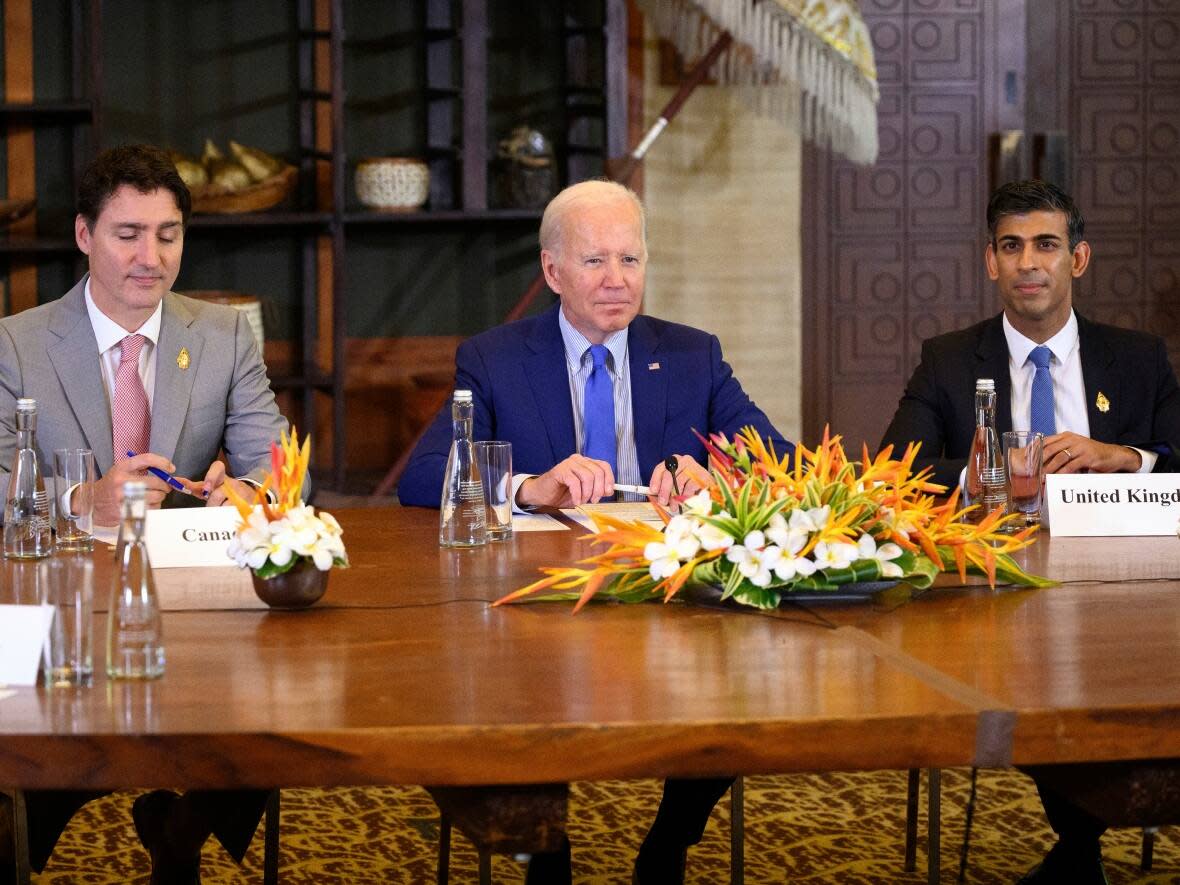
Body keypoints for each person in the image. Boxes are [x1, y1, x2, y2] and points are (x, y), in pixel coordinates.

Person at [399, 179, 791, 884]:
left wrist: (713, 470)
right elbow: (424, 473)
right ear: (553, 272)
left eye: (630, 261)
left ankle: (668, 843)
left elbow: (783, 463)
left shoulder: (693, 354)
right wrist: (527, 486)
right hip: (546, 603)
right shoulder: (494, 357)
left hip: (670, 595)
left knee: (744, 682)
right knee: (524, 703)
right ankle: (549, 862)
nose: (617, 281)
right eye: (595, 262)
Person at [0, 144, 288, 883]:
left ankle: (183, 828)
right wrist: (79, 499)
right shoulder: (17, 344)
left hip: (190, 596)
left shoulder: (222, 336)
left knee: (278, 703)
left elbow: (277, 461)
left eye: (168, 234)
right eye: (127, 234)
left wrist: (250, 493)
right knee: (36, 762)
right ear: (84, 235)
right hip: (59, 603)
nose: (149, 257)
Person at [881, 179, 1180, 884]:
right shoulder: (951, 359)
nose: (1028, 263)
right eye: (1011, 247)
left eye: (1046, 244)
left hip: (1122, 598)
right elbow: (895, 468)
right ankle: (1080, 847)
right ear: (990, 262)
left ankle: (1078, 850)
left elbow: (1176, 454)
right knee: (1041, 662)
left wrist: (1125, 456)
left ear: (1078, 259)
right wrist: (983, 469)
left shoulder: (1136, 358)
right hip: (997, 597)